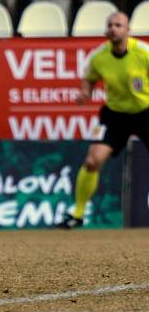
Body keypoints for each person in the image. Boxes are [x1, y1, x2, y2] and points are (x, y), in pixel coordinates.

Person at [59, 12, 149, 229]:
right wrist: (85, 92)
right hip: (115, 115)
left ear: (128, 30)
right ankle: (78, 215)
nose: (113, 28)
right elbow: (88, 79)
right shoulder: (98, 57)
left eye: (118, 25)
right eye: (110, 25)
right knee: (92, 161)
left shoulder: (144, 53)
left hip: (145, 111)